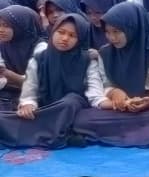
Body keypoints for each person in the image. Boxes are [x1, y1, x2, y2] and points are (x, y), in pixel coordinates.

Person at [73, 2, 149, 147]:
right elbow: (107, 83)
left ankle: (129, 132)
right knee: (82, 119)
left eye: (117, 32)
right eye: (108, 32)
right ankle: (141, 132)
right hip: (124, 108)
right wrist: (115, 93)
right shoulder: (106, 53)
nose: (112, 38)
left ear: (132, 28)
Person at [0, 13, 96, 149]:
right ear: (53, 31)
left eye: (72, 36)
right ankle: (58, 133)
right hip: (45, 109)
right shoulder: (40, 59)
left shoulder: (88, 60)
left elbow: (94, 93)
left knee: (71, 101)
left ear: (80, 39)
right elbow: (30, 88)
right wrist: (28, 104)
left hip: (76, 111)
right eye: (60, 32)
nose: (64, 39)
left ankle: (45, 132)